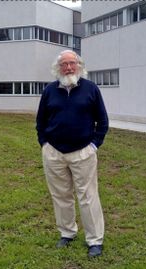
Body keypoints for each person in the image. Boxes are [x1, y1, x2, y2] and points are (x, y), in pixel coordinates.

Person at [36, 50, 109, 258]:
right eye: (64, 64)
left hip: (83, 153)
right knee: (60, 195)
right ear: (58, 68)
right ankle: (67, 233)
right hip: (54, 153)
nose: (68, 67)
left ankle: (95, 240)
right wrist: (44, 144)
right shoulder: (49, 90)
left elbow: (102, 121)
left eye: (72, 63)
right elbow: (41, 121)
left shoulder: (90, 89)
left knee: (88, 196)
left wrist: (94, 145)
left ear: (79, 65)